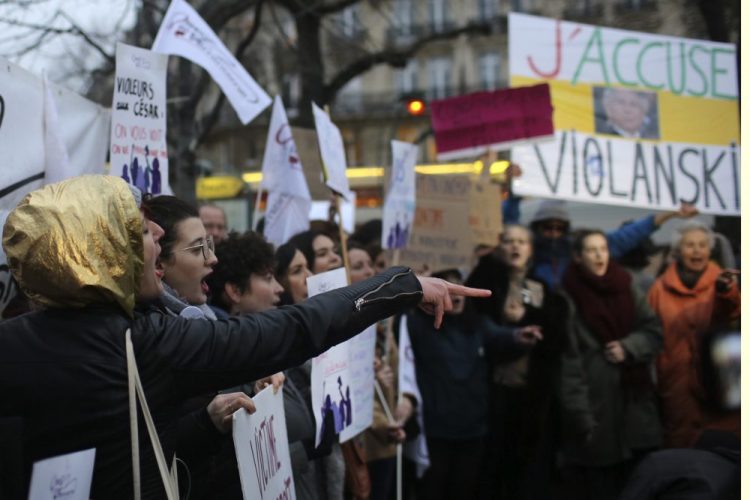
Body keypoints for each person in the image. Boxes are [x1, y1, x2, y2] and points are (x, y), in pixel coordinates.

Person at [0, 175, 486, 499]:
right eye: (137, 229)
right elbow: (290, 330)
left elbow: (125, 450)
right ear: (101, 251)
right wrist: (402, 286)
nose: (153, 232)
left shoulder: (13, 342)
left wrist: (206, 425)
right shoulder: (144, 343)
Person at [407, 268, 542, 500]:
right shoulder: (418, 326)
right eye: (448, 289)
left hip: (472, 428)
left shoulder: (478, 325)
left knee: (464, 488)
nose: (456, 295)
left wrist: (519, 336)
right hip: (435, 429)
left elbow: (501, 336)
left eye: (459, 288)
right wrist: (412, 289)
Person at [465, 224, 568, 500]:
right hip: (492, 387)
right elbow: (475, 321)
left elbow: (553, 336)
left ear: (531, 249)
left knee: (524, 466)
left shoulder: (541, 287)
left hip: (530, 391)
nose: (515, 247)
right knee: (491, 465)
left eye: (522, 241)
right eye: (509, 241)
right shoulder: (488, 280)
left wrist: (524, 317)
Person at [559, 230, 663, 500]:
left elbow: (653, 330)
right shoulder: (567, 295)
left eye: (603, 249)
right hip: (596, 410)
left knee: (637, 485)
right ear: (578, 257)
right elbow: (568, 363)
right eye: (591, 250)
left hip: (635, 408)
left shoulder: (625, 284)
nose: (598, 255)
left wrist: (629, 347)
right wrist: (580, 416)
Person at [647, 220, 740, 448]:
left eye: (702, 245)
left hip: (719, 382)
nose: (697, 250)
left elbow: (732, 314)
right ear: (678, 251)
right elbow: (650, 334)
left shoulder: (726, 283)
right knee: (681, 447)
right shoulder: (659, 289)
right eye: (690, 245)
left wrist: (728, 292)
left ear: (710, 250)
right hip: (676, 385)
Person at [525, 199, 698, 290]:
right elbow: (507, 230)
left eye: (560, 228)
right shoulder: (527, 253)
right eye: (548, 227)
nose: (554, 233)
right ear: (537, 227)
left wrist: (669, 215)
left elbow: (627, 236)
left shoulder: (574, 248)